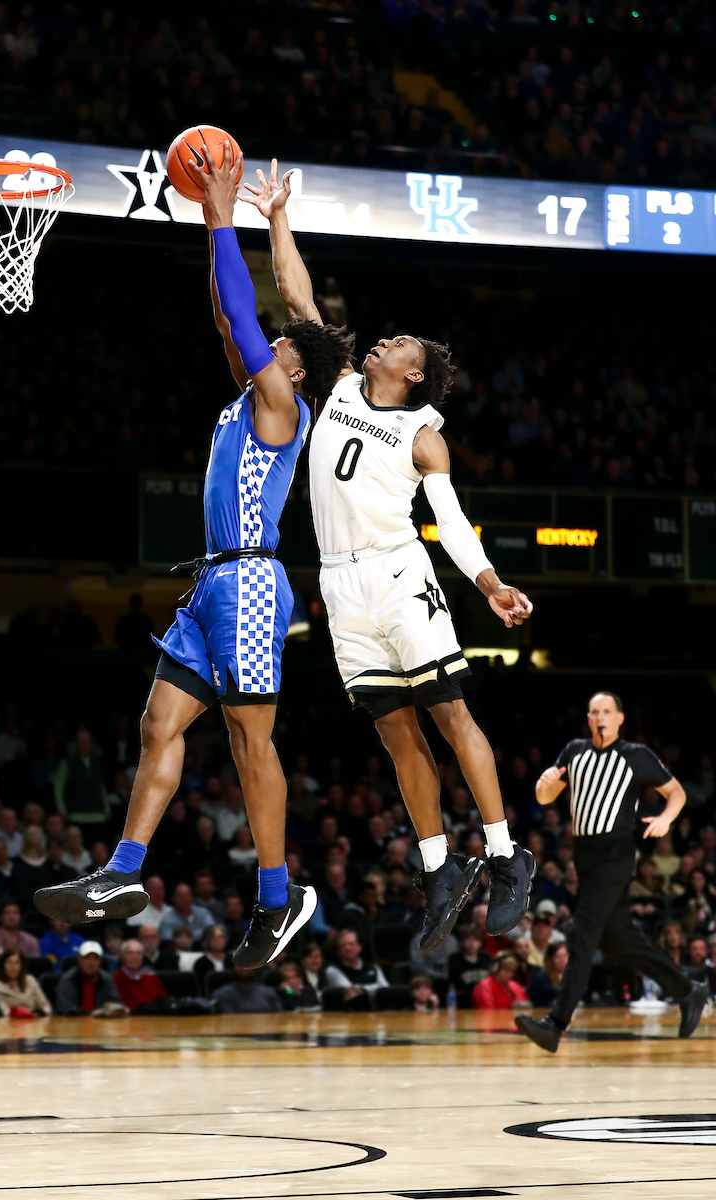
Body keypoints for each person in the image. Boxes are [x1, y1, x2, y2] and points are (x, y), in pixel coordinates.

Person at [35, 142, 351, 969]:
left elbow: (255, 319)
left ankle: (280, 901)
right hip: (213, 584)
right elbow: (237, 312)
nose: (269, 343)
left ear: (295, 367)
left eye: (283, 344)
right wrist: (272, 220)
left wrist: (219, 215)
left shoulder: (284, 402)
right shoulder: (257, 389)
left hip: (250, 581)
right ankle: (122, 873)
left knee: (251, 746)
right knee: (157, 723)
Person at [244, 159, 536, 955]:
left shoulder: (422, 430)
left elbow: (449, 516)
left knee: (449, 712)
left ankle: (509, 857)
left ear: (411, 374)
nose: (384, 337)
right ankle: (443, 864)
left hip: (401, 572)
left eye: (399, 342)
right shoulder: (336, 383)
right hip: (340, 585)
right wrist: (276, 217)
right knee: (395, 732)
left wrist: (486, 581)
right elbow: (297, 295)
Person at [517, 691, 709, 1052]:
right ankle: (688, 990)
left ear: (619, 718)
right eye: (594, 712)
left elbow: (677, 792)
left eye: (607, 711)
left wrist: (666, 820)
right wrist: (543, 785)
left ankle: (555, 1025)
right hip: (585, 856)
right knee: (618, 940)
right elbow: (546, 796)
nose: (600, 717)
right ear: (588, 719)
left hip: (616, 853)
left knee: (582, 931)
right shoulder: (574, 751)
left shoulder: (636, 755)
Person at [55, 941, 125, 1015]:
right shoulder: (68, 980)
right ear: (79, 960)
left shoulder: (107, 980)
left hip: (102, 1023)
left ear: (100, 961)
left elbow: (115, 1005)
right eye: (87, 958)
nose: (91, 962)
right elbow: (66, 1009)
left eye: (96, 959)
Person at [0, 949, 52, 1016]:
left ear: (22, 966)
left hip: (34, 1021)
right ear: (3, 966)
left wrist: (45, 1013)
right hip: (10, 1022)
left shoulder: (30, 980)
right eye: (9, 962)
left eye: (17, 963)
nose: (13, 967)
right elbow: (4, 1012)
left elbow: (45, 1005)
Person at [113, 940, 169, 1012]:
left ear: (142, 957)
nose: (134, 957)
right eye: (130, 953)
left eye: (138, 953)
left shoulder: (153, 979)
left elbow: (165, 1004)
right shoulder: (114, 979)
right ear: (122, 957)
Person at [447, 926, 492, 1008]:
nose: (472, 944)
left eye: (475, 940)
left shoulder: (485, 957)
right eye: (468, 940)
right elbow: (453, 983)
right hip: (463, 1002)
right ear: (461, 942)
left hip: (484, 999)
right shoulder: (455, 959)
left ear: (480, 943)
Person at [213, 966, 283, 1014]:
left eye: (247, 965)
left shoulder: (268, 992)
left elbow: (279, 1015)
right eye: (240, 965)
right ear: (233, 969)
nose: (244, 968)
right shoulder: (222, 994)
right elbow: (228, 1019)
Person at [192, 923, 230, 993]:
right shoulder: (201, 964)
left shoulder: (232, 961)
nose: (217, 941)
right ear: (207, 940)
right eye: (214, 938)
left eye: (220, 937)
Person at [527, 942, 569, 1007]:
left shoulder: (575, 977)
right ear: (550, 959)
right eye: (557, 957)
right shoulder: (541, 979)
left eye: (565, 956)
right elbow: (537, 1004)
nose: (562, 960)